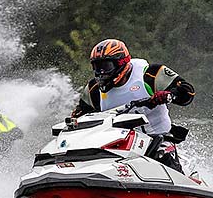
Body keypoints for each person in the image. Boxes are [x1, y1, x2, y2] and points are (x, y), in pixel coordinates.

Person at [71, 39, 195, 172]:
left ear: (121, 63)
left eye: (105, 66)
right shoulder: (93, 90)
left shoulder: (150, 74)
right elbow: (81, 117)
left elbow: (188, 91)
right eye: (97, 67)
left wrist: (169, 95)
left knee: (164, 156)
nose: (101, 73)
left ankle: (182, 182)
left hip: (156, 140)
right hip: (115, 145)